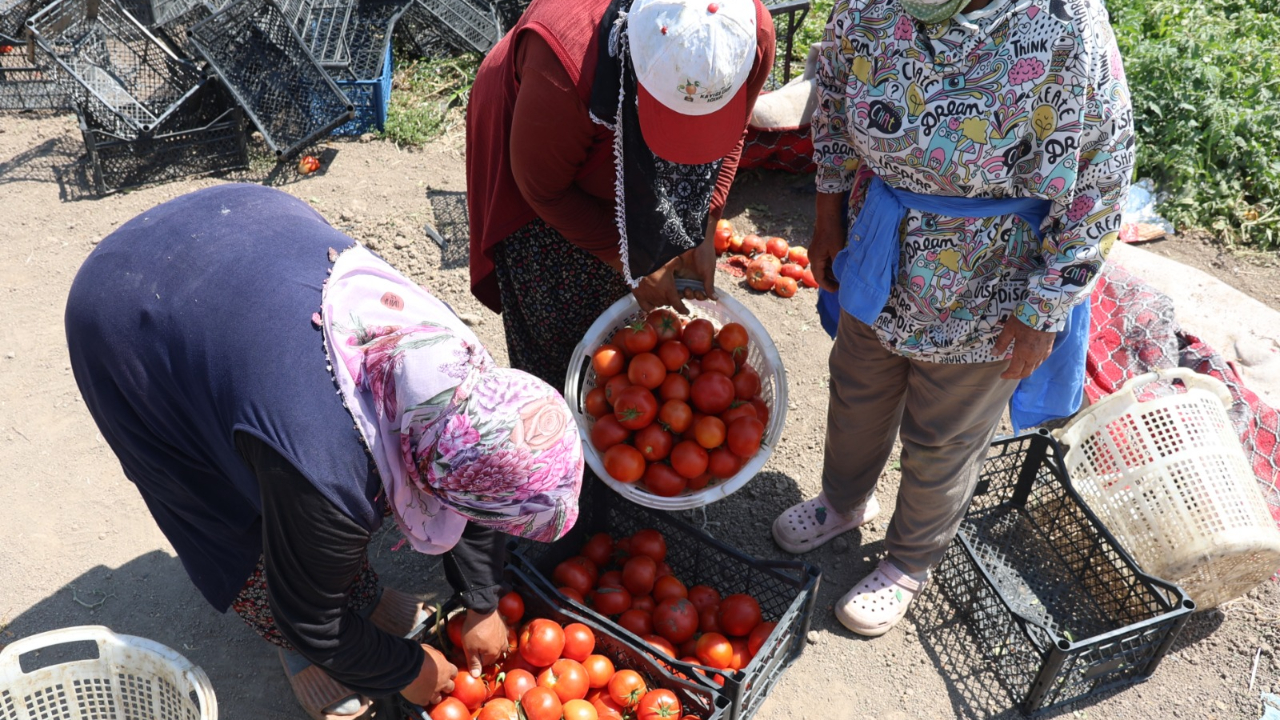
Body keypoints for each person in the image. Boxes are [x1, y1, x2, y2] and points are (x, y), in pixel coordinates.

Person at [64, 184, 584, 720]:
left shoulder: (452, 385)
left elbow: (477, 480)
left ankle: (358, 600)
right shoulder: (326, 471)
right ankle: (303, 656)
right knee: (225, 504)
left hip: (247, 235)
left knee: (322, 520)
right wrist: (405, 670)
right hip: (128, 310)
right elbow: (307, 614)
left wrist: (481, 597)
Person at [772, 0, 1133, 636]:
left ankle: (910, 558)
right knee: (856, 388)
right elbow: (830, 92)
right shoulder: (872, 6)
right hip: (881, 237)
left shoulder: (1066, 23)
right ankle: (844, 501)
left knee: (946, 433)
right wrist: (829, 212)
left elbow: (1101, 172)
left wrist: (1045, 308)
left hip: (991, 276)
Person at [466, 0, 776, 387]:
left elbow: (736, 129)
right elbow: (543, 190)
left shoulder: (746, 32)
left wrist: (706, 226)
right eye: (673, 118)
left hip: (580, 124)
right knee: (561, 324)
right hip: (540, 138)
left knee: (629, 325)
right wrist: (627, 260)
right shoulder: (568, 61)